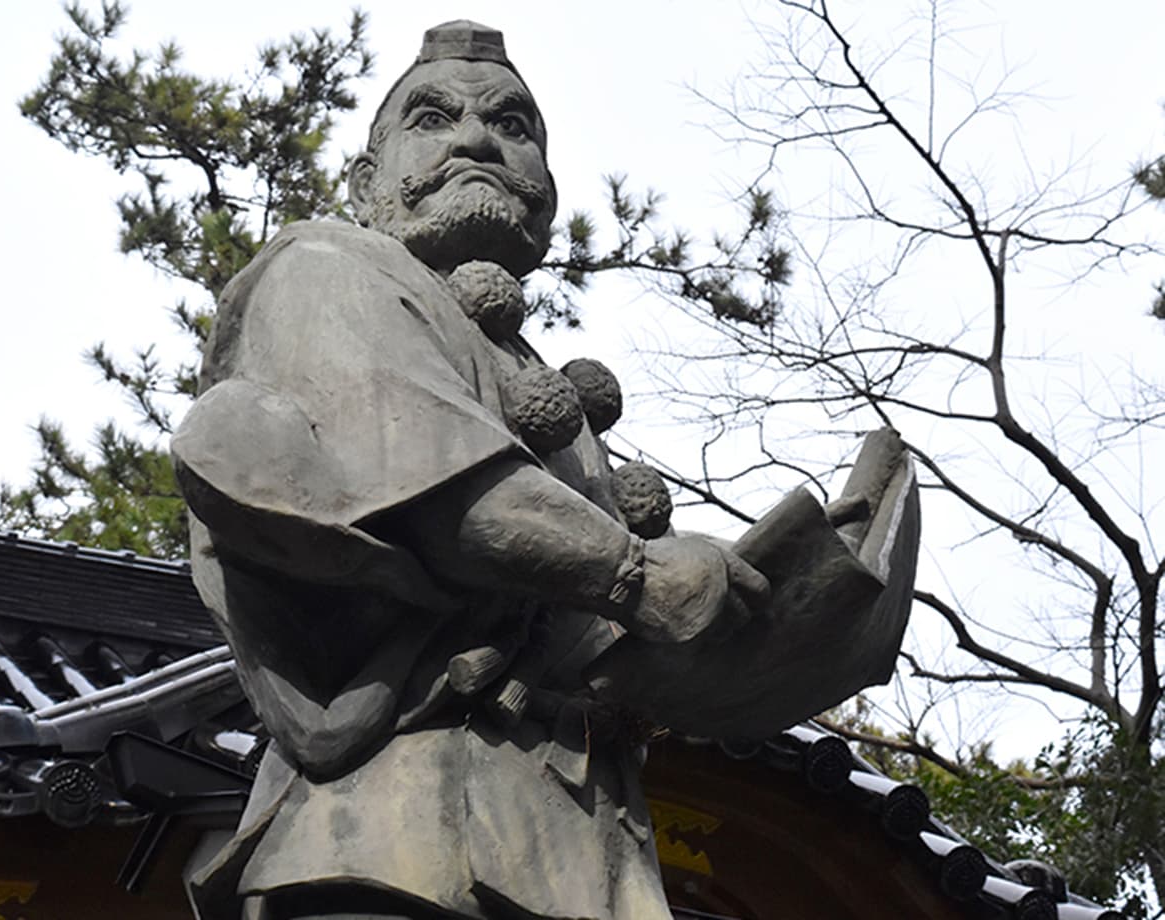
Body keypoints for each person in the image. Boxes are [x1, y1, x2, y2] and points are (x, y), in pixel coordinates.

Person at [172, 21, 777, 920]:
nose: (477, 139)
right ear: (365, 182)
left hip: (570, 839)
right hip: (385, 837)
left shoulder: (526, 367)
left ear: (545, 192)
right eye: (432, 117)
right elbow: (438, 494)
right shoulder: (325, 270)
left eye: (514, 125)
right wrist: (638, 574)